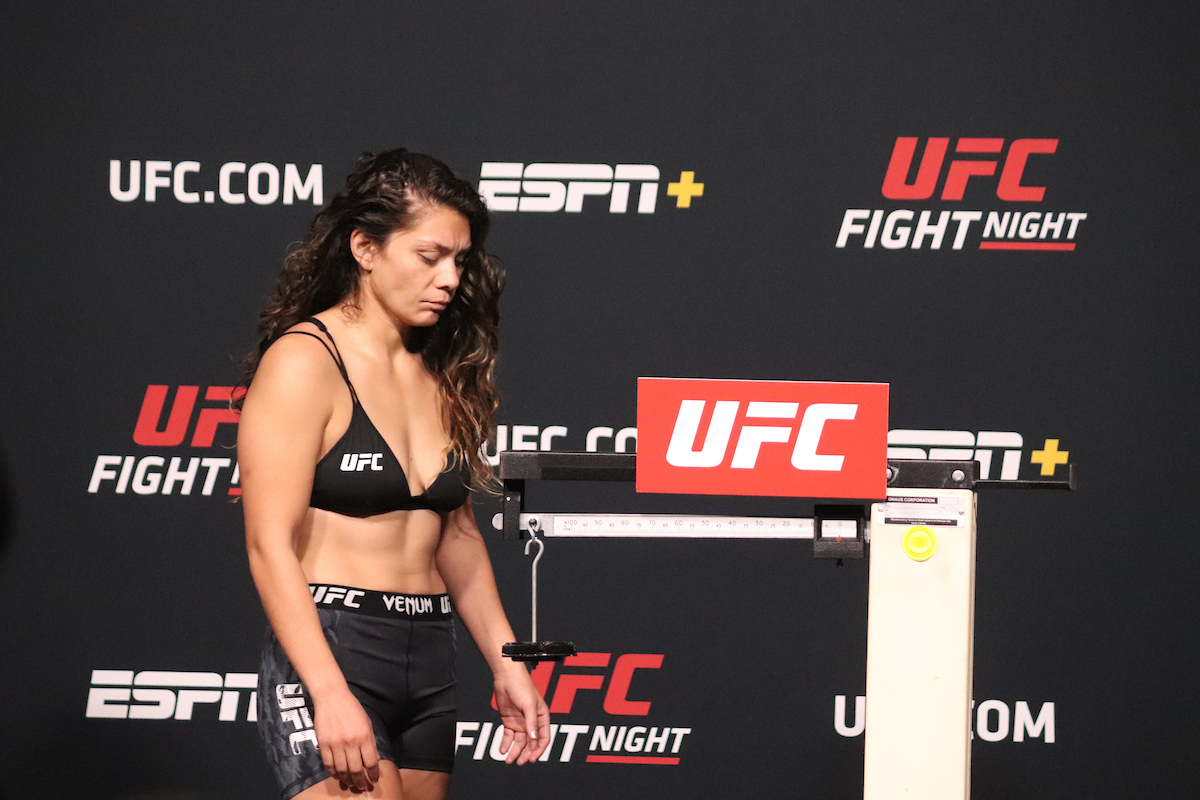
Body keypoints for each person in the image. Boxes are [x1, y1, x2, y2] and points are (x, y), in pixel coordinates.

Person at [237, 149, 548, 800]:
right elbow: (269, 544)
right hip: (335, 648)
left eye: (460, 260)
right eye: (429, 256)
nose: (449, 278)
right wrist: (328, 691)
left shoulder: (442, 370)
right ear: (366, 248)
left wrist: (507, 662)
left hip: (429, 656)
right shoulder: (304, 362)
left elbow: (456, 535)